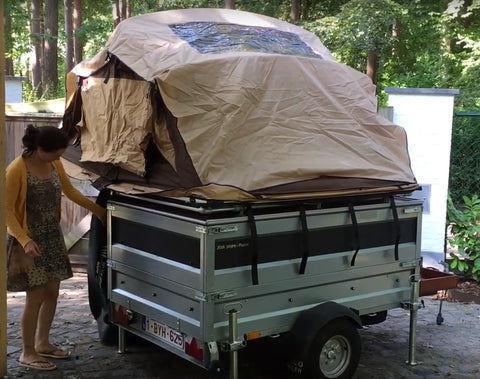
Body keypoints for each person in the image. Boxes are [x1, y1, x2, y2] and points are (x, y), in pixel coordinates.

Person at [6, 124, 107, 371]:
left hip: (52, 237)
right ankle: (27, 352)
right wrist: (25, 240)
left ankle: (43, 343)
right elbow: (6, 212)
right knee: (35, 297)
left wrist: (100, 212)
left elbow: (69, 190)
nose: (59, 158)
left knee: (51, 293)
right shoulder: (16, 169)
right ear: (40, 149)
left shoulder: (54, 163)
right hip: (28, 241)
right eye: (56, 154)